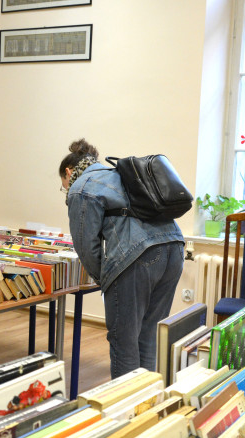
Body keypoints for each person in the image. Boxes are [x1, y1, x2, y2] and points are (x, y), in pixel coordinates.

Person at [59, 138, 184, 380]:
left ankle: (127, 413)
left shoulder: (81, 187)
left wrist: (106, 279)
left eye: (62, 185)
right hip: (174, 247)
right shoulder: (119, 174)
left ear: (68, 172)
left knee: (124, 342)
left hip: (138, 256)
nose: (65, 189)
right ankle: (146, 407)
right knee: (148, 336)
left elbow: (86, 247)